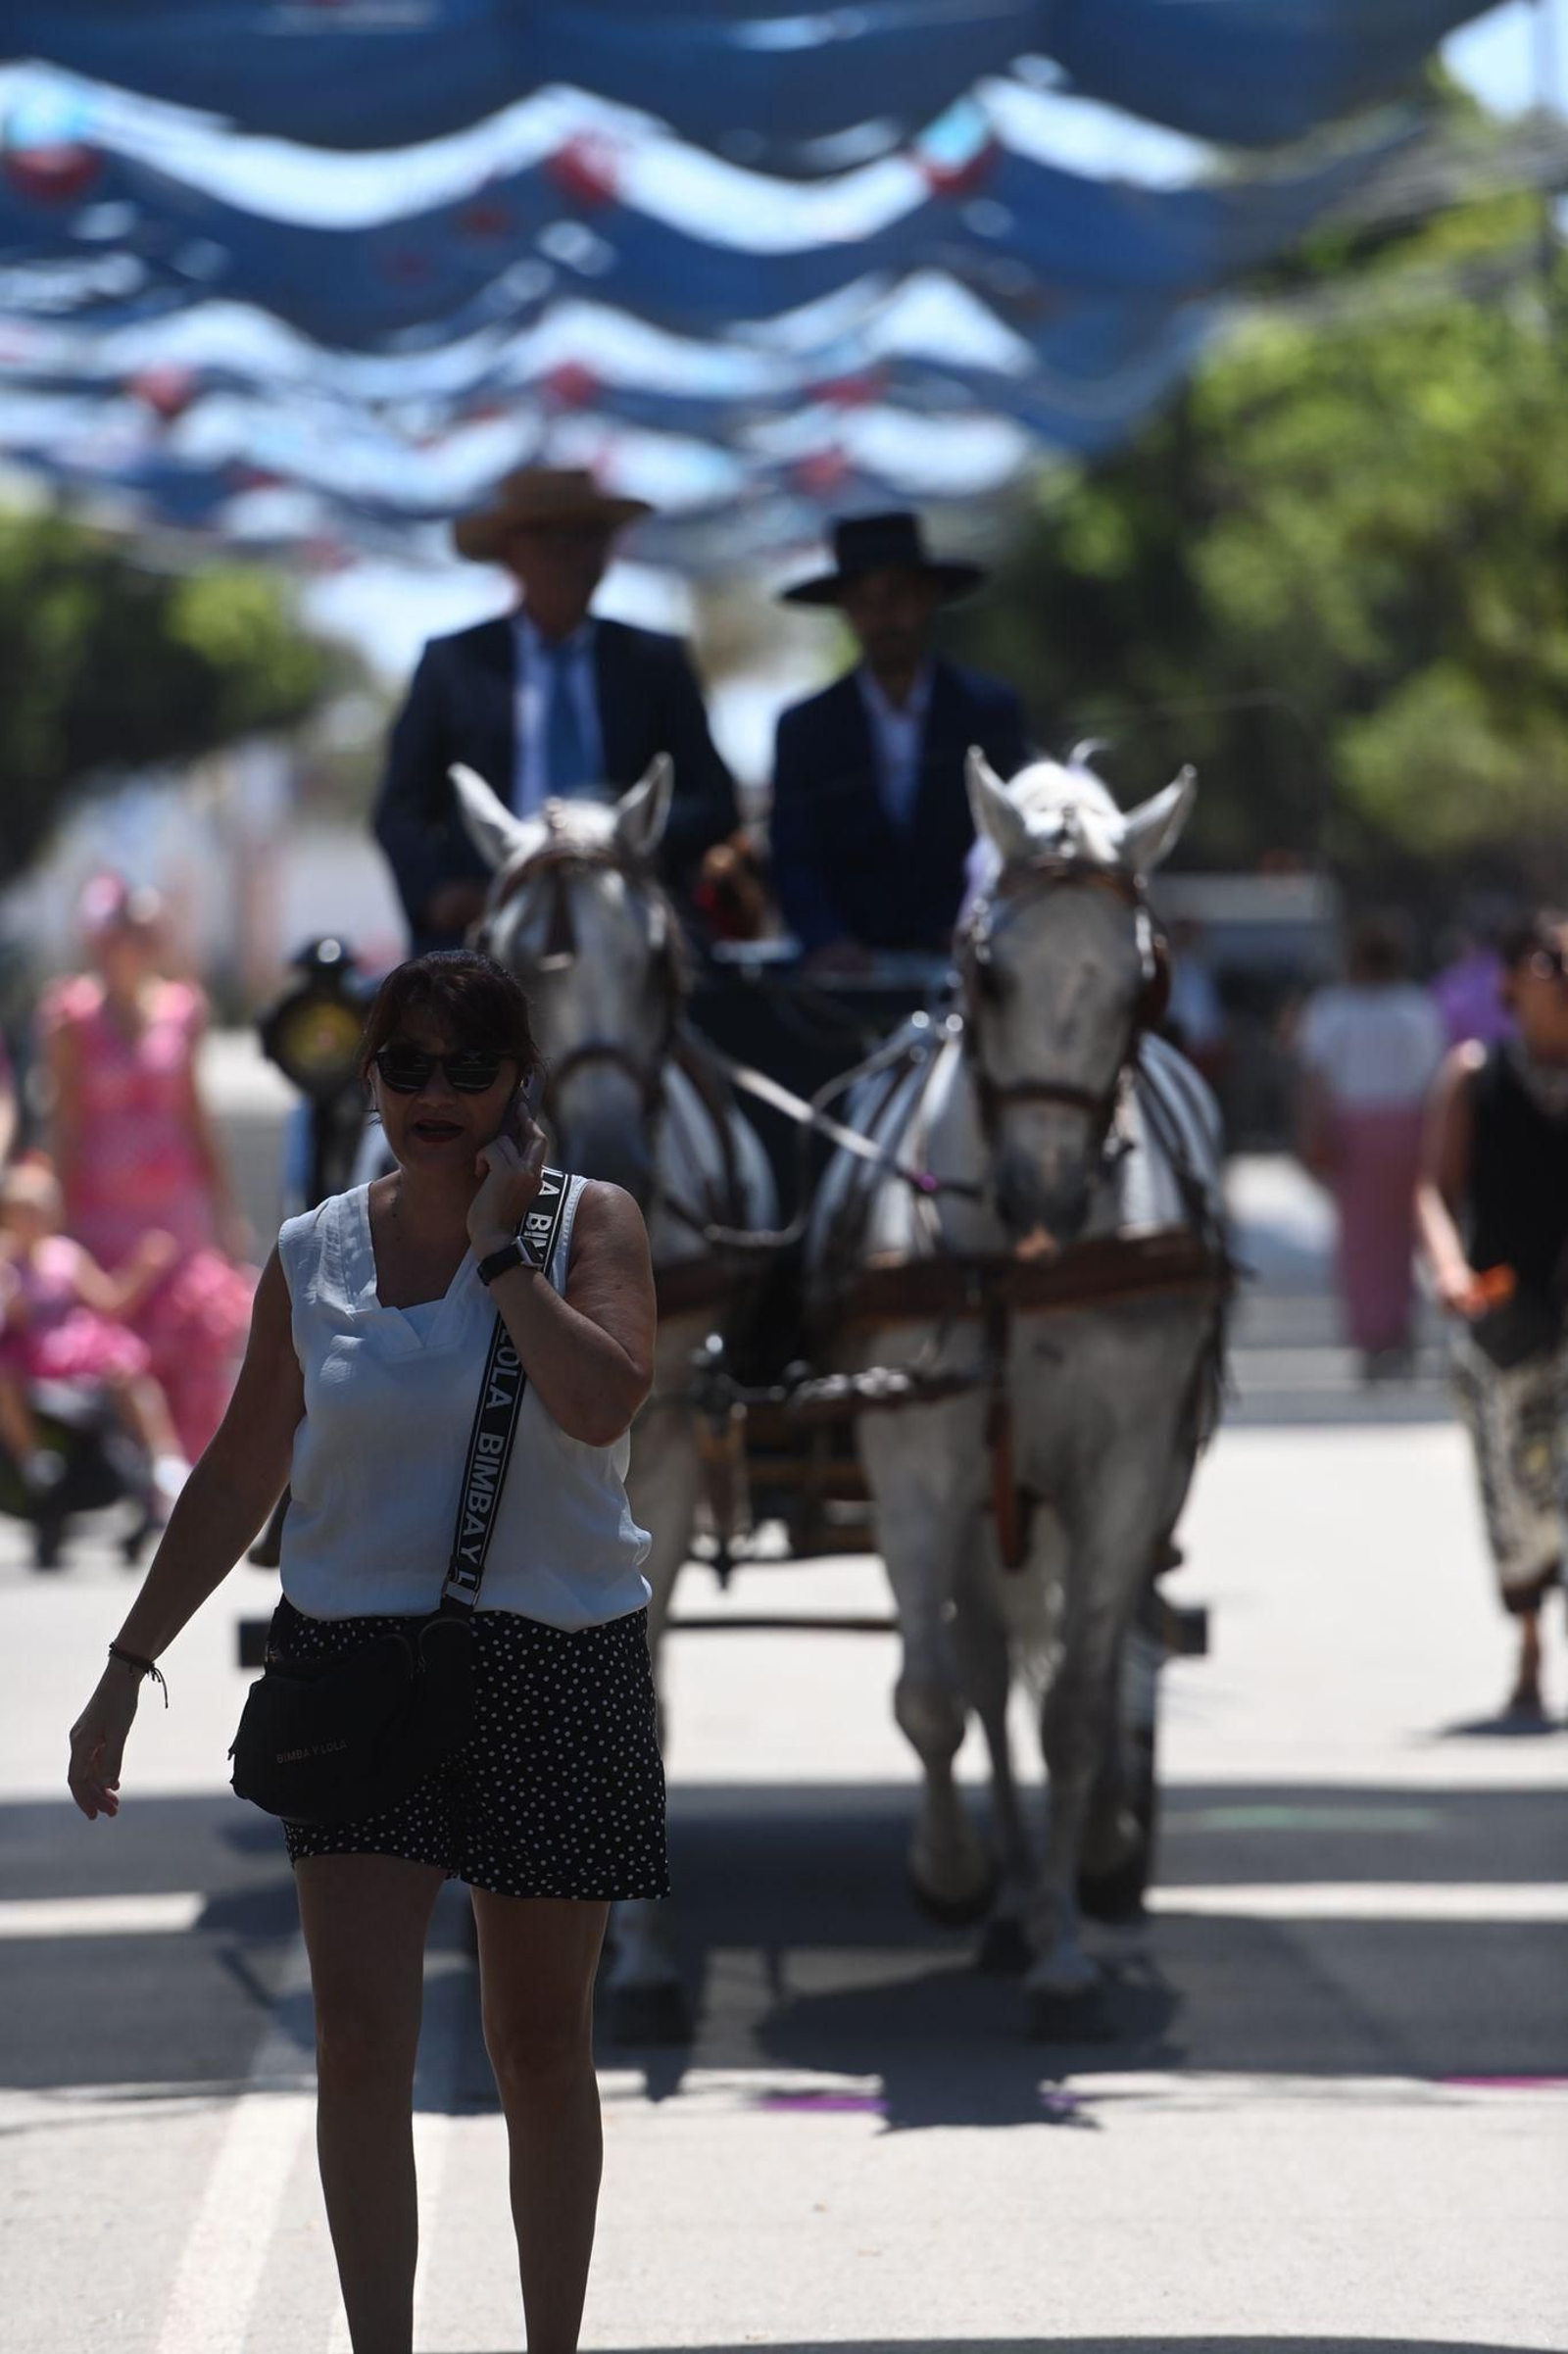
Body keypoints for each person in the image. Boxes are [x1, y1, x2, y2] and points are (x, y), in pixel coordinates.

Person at [68, 948, 665, 2354]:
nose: (436, 1094)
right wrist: (121, 1666)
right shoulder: (315, 1249)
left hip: (555, 1661)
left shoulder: (595, 1226)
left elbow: (601, 1399)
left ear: (521, 1080)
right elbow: (232, 1476)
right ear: (373, 1078)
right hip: (350, 1665)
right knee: (360, 2046)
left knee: (538, 2046)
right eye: (408, 1066)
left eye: (470, 1067)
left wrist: (507, 1254)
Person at [374, 466, 739, 952]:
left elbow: (713, 798)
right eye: (547, 536)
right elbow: (401, 809)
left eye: (587, 536)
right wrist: (439, 892)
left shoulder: (654, 661)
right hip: (488, 914)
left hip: (626, 921)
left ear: (608, 553)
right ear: (509, 553)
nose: (568, 553)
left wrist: (625, 842)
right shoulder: (454, 663)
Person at [37, 876, 255, 1459]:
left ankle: (190, 1487)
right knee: (117, 1350)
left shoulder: (182, 1011)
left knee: (196, 1341)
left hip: (176, 1215)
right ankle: (139, 1479)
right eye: (118, 936)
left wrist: (226, 1211)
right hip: (102, 1215)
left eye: (142, 935)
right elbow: (65, 1120)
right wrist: (52, 1215)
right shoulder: (71, 1017)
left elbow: (196, 1114)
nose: (129, 947)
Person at [1416, 908, 1568, 1718]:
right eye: (1550, 961)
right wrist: (1447, 1266)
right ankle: (1530, 1648)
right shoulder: (1475, 1075)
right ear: (1511, 982)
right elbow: (1434, 1191)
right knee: (1517, 1501)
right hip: (1505, 1323)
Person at [769, 511, 1031, 972]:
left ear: (928, 597)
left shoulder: (990, 711)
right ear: (846, 610)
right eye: (864, 600)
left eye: (898, 594)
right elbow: (794, 857)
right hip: (848, 979)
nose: (884, 615)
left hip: (969, 967)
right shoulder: (805, 729)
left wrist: (979, 923)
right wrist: (828, 941)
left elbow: (1011, 841)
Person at [1294, 912, 1446, 1378]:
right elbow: (1436, 1077)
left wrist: (1308, 1135)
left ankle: (1373, 1334)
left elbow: (1316, 1080)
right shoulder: (1417, 1007)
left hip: (1355, 1130)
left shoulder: (1332, 1008)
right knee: (1402, 1236)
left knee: (1361, 1241)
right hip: (1410, 1128)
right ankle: (1398, 1327)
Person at [0, 1160, 188, 1515]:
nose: (30, 1221)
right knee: (5, 1381)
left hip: (77, 1351)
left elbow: (110, 1301)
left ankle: (165, 1460)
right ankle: (31, 1458)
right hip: (29, 1356)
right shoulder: (6, 1261)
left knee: (131, 1376)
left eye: (38, 1212)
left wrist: (143, 1268)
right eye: (21, 1212)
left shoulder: (66, 1256)